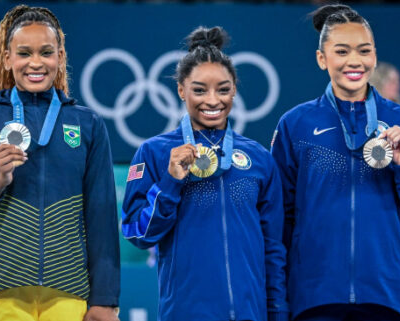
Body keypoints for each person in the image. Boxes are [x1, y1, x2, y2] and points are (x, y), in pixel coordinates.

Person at [0, 5, 120, 321]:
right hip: (1, 288)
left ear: (60, 57)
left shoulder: (88, 124)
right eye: (24, 53)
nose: (36, 63)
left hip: (69, 291)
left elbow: (102, 217)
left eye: (46, 52)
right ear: (7, 58)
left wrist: (105, 300)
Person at [271, 4, 400, 321]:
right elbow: (280, 219)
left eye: (363, 51)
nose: (354, 61)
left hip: (384, 296)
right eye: (341, 51)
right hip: (313, 297)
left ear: (374, 56)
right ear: (322, 59)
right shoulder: (295, 125)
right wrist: (278, 301)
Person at [121, 26, 288, 321]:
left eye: (223, 89)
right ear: (181, 90)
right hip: (185, 313)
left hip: (250, 314)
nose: (212, 101)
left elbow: (273, 248)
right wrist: (171, 181)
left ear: (234, 89)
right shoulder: (155, 153)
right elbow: (137, 232)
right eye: (199, 90)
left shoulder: (259, 158)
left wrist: (277, 312)